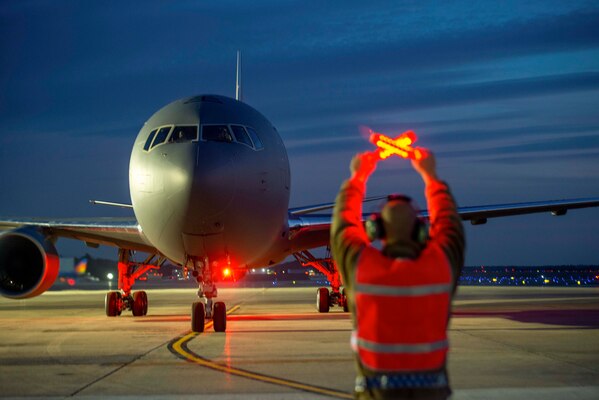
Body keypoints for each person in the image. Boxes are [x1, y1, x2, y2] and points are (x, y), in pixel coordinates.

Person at [331, 149, 465, 399]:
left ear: (376, 230)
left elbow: (343, 227)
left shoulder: (363, 269)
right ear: (420, 231)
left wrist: (357, 176)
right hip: (431, 392)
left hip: (376, 393)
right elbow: (450, 226)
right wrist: (431, 176)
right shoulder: (439, 268)